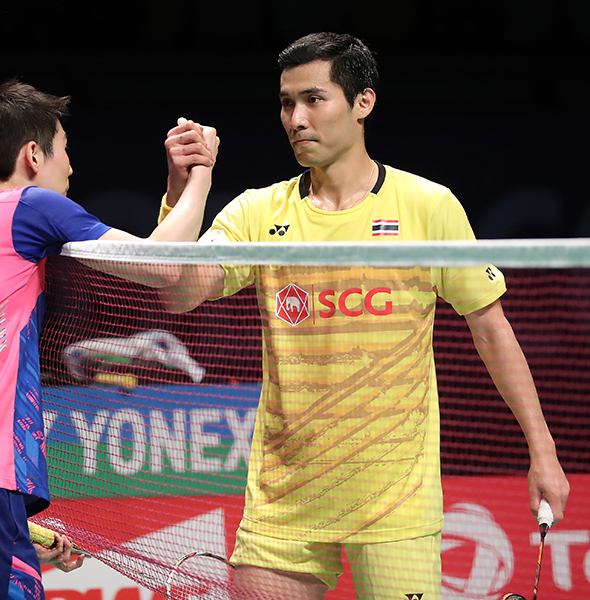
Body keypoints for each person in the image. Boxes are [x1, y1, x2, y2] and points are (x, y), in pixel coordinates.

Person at [159, 33, 569, 600]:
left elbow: (491, 330)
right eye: (286, 103)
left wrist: (543, 451)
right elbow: (179, 294)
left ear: (362, 103)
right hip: (285, 506)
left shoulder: (427, 206)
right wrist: (186, 186)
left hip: (394, 504)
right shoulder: (259, 211)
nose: (296, 119)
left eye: (314, 99)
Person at [0, 80, 218, 599]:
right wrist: (200, 174)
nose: (71, 168)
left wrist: (17, 530)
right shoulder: (27, 205)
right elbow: (162, 266)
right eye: (65, 150)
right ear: (33, 155)